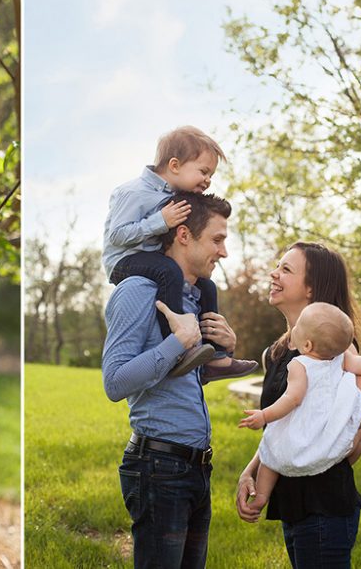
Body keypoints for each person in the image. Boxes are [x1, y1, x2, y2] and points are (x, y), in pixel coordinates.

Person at [102, 191, 239, 569]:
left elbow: (182, 377)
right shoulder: (136, 292)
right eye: (217, 239)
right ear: (182, 235)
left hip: (197, 468)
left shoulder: (193, 298)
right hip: (159, 470)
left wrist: (223, 349)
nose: (224, 252)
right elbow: (114, 383)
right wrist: (178, 340)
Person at [236, 241, 361, 569]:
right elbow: (286, 425)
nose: (274, 274)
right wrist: (251, 471)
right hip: (292, 503)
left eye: (286, 269)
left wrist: (323, 444)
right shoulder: (276, 353)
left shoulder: (333, 349)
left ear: (310, 289)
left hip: (324, 505)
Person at [102, 126, 257, 381]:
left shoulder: (174, 195)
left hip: (152, 258)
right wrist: (159, 222)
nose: (208, 180)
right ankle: (178, 345)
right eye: (203, 171)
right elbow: (116, 236)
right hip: (124, 261)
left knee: (207, 286)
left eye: (211, 175)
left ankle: (216, 357)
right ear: (175, 165)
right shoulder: (133, 192)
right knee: (169, 271)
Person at [238, 302, 361, 511]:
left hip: (300, 430)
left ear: (306, 346)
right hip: (321, 435)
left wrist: (264, 415)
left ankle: (261, 497)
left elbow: (292, 399)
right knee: (275, 451)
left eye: (298, 328)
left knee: (272, 452)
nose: (292, 330)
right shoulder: (342, 359)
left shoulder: (299, 365)